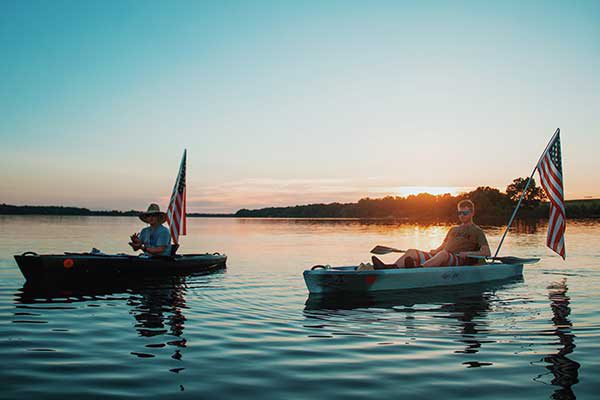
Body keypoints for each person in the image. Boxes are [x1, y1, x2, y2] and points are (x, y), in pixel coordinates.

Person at [372, 199, 491, 268]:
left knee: (443, 254)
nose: (461, 216)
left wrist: (468, 253)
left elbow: (486, 252)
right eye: (459, 213)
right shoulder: (453, 229)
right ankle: (391, 268)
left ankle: (420, 270)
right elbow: (443, 247)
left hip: (458, 260)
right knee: (411, 252)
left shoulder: (477, 231)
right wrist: (435, 250)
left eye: (464, 213)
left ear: (472, 212)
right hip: (442, 255)